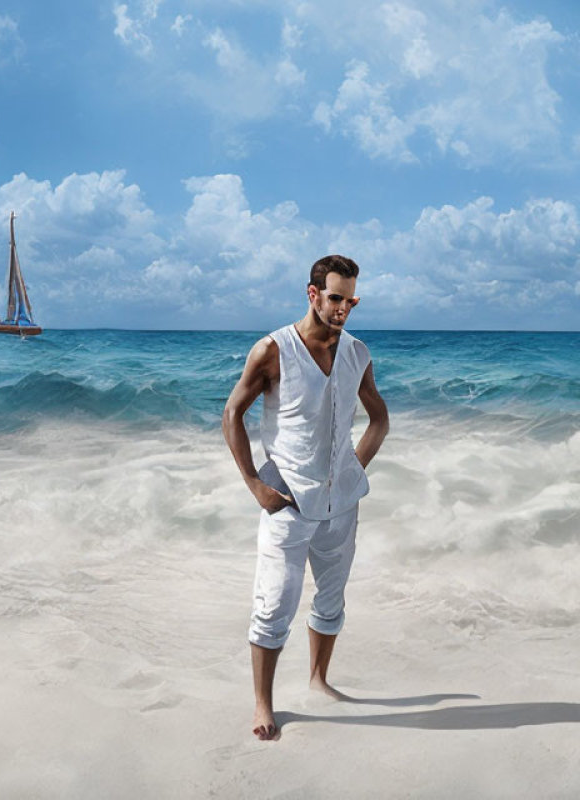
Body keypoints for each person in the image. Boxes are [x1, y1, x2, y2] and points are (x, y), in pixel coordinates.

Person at [222, 254, 390, 741]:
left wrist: (354, 467)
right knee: (274, 603)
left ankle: (319, 679)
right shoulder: (274, 350)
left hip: (343, 504)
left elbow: (379, 418)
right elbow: (233, 413)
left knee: (331, 600)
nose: (343, 308)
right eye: (335, 297)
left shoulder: (358, 353)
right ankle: (263, 703)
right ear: (312, 293)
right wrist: (255, 483)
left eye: (350, 300)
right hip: (289, 499)